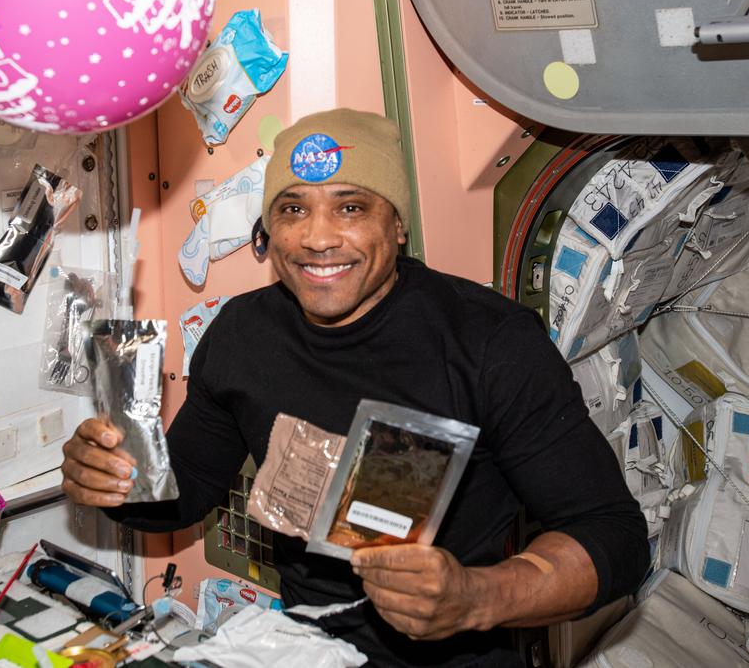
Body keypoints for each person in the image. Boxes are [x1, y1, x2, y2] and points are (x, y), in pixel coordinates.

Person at [62, 109, 650, 666]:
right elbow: (183, 493)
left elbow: (614, 538)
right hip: (301, 647)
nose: (317, 238)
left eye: (350, 208)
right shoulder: (241, 334)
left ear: (396, 226)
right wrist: (117, 480)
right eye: (292, 209)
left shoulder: (490, 343)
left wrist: (478, 596)